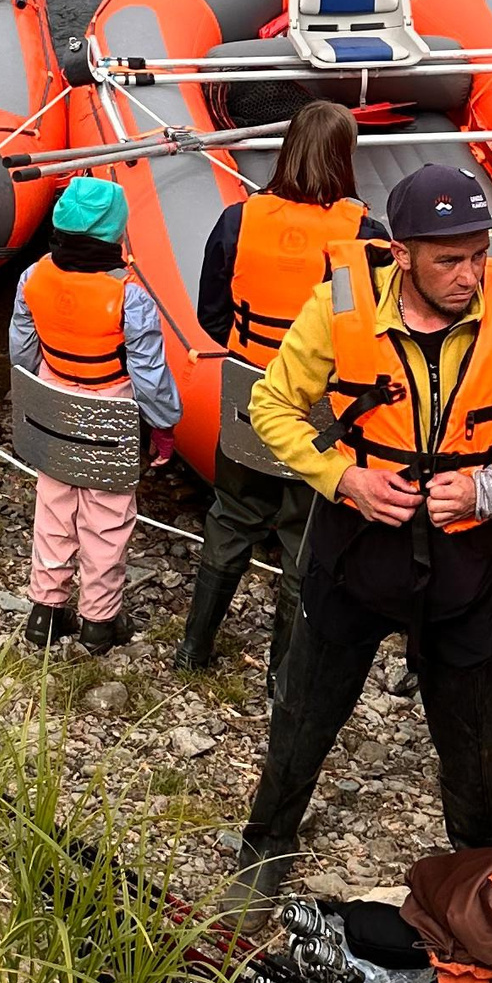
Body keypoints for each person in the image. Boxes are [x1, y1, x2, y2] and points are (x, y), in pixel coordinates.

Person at [229, 160, 492, 894]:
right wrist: (345, 478)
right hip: (353, 551)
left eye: (478, 254)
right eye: (449, 259)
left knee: (470, 742)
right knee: (306, 712)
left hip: (463, 565)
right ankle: (264, 846)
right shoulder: (339, 306)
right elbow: (273, 406)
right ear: (400, 254)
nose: (470, 274)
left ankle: (483, 875)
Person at [176, 99, 367, 681]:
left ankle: (194, 650)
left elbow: (212, 316)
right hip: (316, 411)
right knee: (302, 535)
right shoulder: (364, 235)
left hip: (247, 394)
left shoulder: (238, 219)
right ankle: (282, 675)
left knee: (231, 515)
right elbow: (369, 336)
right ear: (344, 159)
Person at [11, 174, 183, 653]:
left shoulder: (33, 277)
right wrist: (164, 427)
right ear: (116, 233)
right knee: (106, 518)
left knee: (53, 504)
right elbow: (149, 376)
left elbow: (21, 352)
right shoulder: (130, 295)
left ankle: (45, 611)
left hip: (54, 404)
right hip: (110, 412)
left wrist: (33, 401)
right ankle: (99, 621)